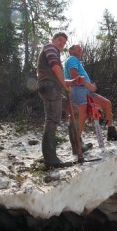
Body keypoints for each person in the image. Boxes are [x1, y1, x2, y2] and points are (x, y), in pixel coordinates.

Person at [37, 32, 84, 168]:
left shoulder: (54, 52)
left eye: (64, 43)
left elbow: (60, 78)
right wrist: (64, 85)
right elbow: (55, 68)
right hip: (50, 87)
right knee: (52, 119)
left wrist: (72, 81)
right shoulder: (50, 47)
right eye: (60, 40)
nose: (61, 44)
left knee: (74, 110)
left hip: (54, 87)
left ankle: (76, 145)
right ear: (53, 39)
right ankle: (50, 159)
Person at [64, 45, 117, 146]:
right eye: (77, 48)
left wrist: (90, 87)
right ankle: (77, 144)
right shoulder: (72, 59)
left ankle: (111, 132)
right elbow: (75, 77)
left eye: (81, 49)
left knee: (106, 104)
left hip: (86, 91)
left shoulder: (76, 61)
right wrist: (91, 86)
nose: (81, 50)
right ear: (71, 50)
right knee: (81, 115)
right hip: (78, 90)